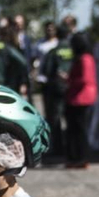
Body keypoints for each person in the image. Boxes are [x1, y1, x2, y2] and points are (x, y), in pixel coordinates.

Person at [38, 21, 72, 163]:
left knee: (54, 119)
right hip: (72, 90)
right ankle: (70, 148)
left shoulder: (53, 52)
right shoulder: (75, 51)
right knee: (71, 119)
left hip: (55, 90)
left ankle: (57, 148)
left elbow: (45, 71)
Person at [63, 31, 98, 168]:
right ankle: (76, 158)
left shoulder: (85, 59)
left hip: (80, 99)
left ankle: (80, 158)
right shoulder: (86, 57)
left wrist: (68, 79)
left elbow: (85, 79)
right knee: (75, 130)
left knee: (78, 131)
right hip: (79, 97)